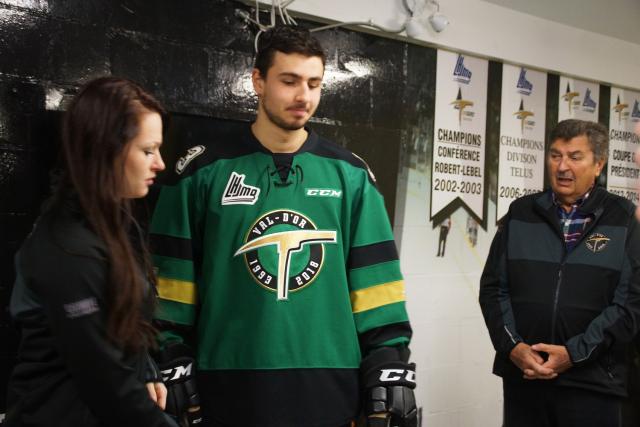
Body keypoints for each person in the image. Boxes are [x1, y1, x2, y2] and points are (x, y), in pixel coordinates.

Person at [149, 26, 417, 427]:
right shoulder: (201, 173)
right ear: (258, 81)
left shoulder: (352, 176)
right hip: (228, 384)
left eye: (314, 83)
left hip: (328, 386)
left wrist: (387, 366)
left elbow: (377, 292)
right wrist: (172, 357)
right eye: (289, 81)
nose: (303, 97)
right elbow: (169, 287)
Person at [5, 77, 178, 427]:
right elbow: (104, 379)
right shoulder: (66, 248)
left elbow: (124, 318)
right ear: (107, 150)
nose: (160, 163)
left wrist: (145, 366)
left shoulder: (111, 225)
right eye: (148, 150)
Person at [479, 119, 640, 427]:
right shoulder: (521, 213)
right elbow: (493, 289)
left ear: (598, 164)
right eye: (555, 155)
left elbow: (630, 303)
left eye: (575, 157)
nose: (562, 166)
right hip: (525, 380)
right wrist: (513, 348)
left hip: (594, 384)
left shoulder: (624, 219)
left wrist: (573, 353)